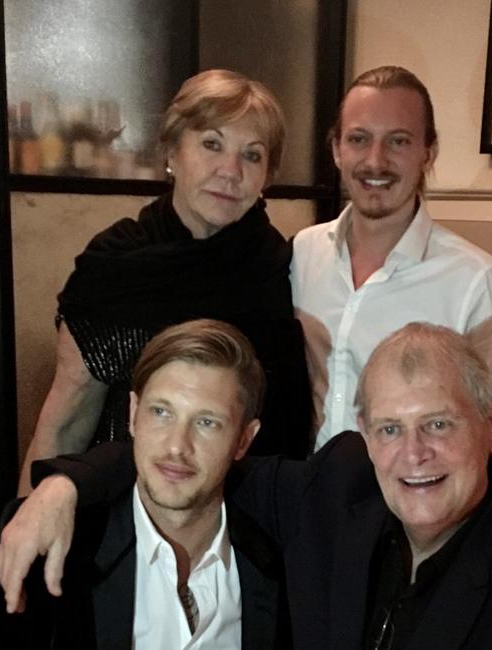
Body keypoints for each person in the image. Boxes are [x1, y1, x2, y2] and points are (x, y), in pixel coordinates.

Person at [0, 323, 492, 649]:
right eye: (390, 427)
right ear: (363, 432)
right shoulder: (336, 497)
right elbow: (183, 465)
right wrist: (63, 488)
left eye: (438, 423)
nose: (414, 454)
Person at [17, 68, 312, 495]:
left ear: (267, 175)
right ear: (171, 151)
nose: (231, 170)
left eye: (252, 155)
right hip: (122, 506)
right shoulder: (116, 265)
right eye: (212, 144)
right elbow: (67, 419)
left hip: (252, 514)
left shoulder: (282, 267)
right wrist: (26, 523)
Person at [0, 320, 289, 649]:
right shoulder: (57, 545)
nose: (177, 445)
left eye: (207, 422)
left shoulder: (283, 557)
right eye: (161, 412)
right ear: (133, 414)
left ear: (244, 439)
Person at [290, 65, 492, 497]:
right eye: (359, 139)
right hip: (309, 512)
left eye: (398, 141)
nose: (375, 161)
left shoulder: (476, 281)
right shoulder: (301, 255)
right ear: (336, 149)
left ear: (428, 152)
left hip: (413, 519)